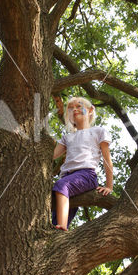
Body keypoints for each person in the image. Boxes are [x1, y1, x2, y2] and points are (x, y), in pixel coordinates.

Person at [52, 97, 113, 231]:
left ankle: (62, 227)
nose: (74, 109)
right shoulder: (67, 137)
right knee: (55, 206)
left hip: (86, 175)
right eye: (70, 108)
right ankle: (56, 232)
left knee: (61, 186)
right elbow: (52, 156)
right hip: (67, 178)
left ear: (91, 110)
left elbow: (106, 159)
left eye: (79, 106)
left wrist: (109, 186)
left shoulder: (98, 131)